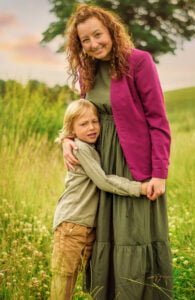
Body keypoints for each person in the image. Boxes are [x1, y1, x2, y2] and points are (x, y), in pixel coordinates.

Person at [63, 4, 173, 300]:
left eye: (97, 35)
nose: (93, 43)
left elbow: (158, 121)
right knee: (107, 235)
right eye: (85, 40)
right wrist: (65, 140)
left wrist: (159, 174)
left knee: (134, 234)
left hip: (134, 165)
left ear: (111, 30)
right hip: (101, 168)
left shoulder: (139, 62)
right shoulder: (88, 70)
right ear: (79, 44)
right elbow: (79, 115)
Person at [51, 99, 148, 300]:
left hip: (85, 226)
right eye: (83, 124)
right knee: (64, 280)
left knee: (73, 280)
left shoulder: (90, 148)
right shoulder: (80, 149)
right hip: (72, 224)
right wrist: (139, 188)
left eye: (95, 121)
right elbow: (103, 181)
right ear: (72, 129)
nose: (92, 127)